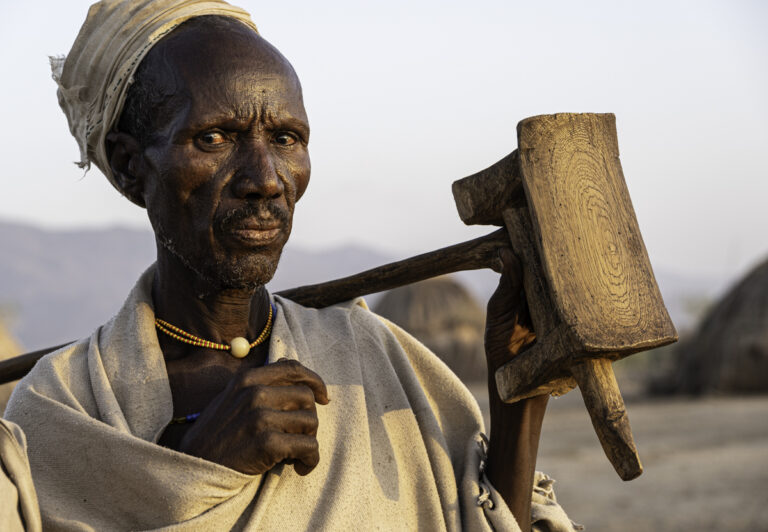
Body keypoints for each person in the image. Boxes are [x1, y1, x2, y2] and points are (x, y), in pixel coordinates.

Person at [5, 1, 579, 530]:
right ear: (132, 167)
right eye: (213, 137)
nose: (265, 179)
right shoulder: (60, 410)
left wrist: (519, 400)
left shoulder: (374, 359)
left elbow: (484, 519)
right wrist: (195, 469)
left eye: (285, 138)